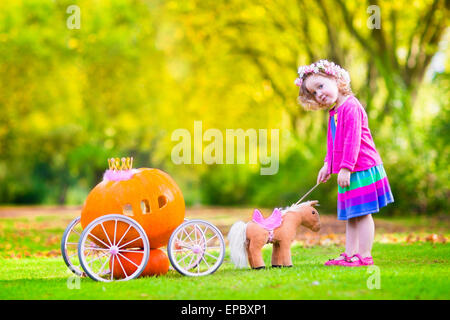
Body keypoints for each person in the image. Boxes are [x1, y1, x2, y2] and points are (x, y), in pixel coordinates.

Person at [295, 60, 394, 266]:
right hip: (347, 169)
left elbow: (353, 139)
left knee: (363, 213)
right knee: (352, 214)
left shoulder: (351, 106)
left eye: (320, 86)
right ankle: (350, 254)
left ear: (336, 80)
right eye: (314, 93)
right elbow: (333, 142)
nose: (319, 94)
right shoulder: (335, 112)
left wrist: (346, 167)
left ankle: (364, 255)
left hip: (361, 167)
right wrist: (327, 165)